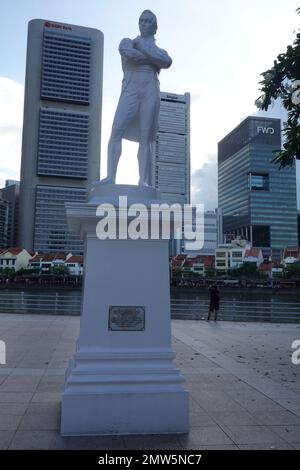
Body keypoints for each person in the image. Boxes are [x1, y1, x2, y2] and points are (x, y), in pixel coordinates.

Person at [101, 10, 172, 186]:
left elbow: (167, 62)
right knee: (116, 129)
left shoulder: (160, 50)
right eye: (141, 20)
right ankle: (110, 177)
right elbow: (128, 53)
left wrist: (146, 53)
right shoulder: (128, 42)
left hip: (150, 90)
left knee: (145, 136)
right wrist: (151, 59)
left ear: (155, 27)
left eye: (148, 21)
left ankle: (143, 181)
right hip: (130, 89)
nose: (143, 23)